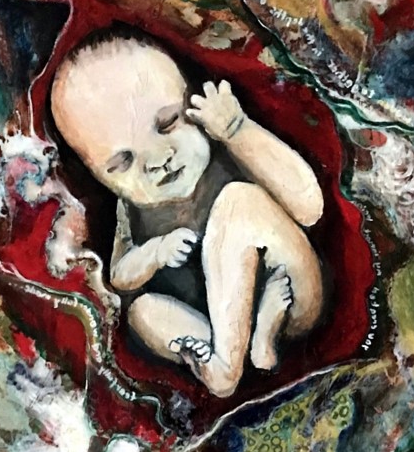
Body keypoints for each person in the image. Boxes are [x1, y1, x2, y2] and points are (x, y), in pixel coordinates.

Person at [50, 29, 325, 398]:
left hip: (289, 293)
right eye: (122, 163)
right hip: (213, 325)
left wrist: (238, 130)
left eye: (167, 124)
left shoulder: (227, 146)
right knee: (142, 312)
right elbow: (120, 276)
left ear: (193, 102)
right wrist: (154, 253)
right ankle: (230, 359)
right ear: (98, 176)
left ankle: (238, 354)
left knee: (240, 201)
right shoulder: (129, 210)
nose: (158, 160)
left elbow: (309, 206)